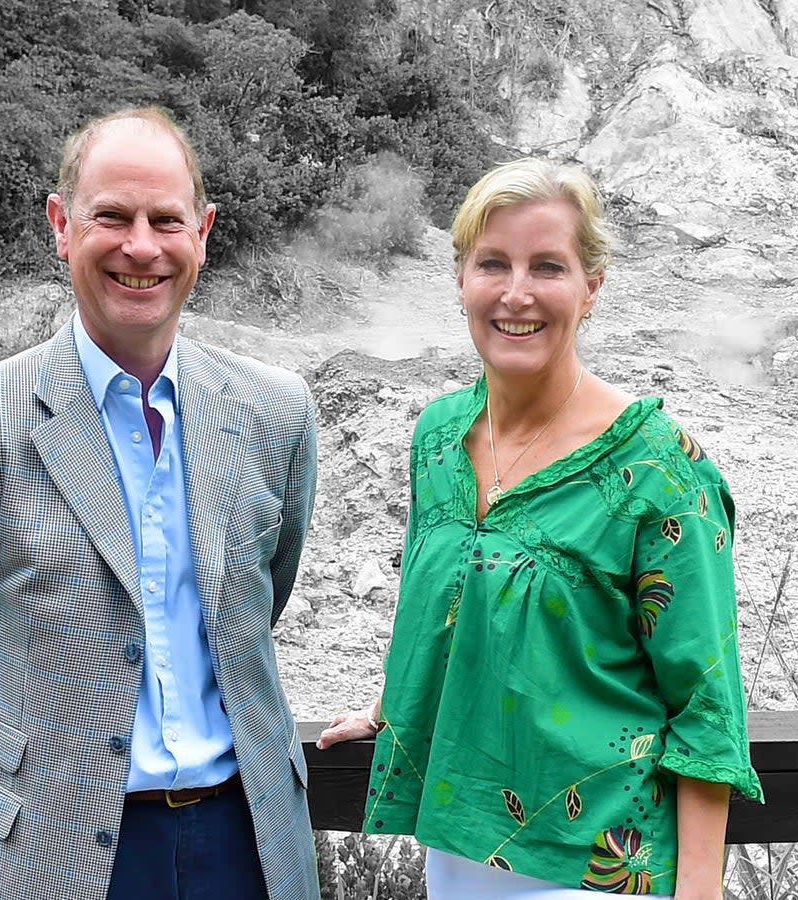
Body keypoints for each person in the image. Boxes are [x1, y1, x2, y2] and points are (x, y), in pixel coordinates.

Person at [0, 107, 320, 900]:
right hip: (47, 850)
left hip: (249, 844)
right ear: (61, 225)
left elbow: (258, 604)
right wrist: (44, 760)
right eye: (111, 216)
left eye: (166, 220)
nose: (141, 246)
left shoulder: (277, 411)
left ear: (204, 231)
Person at [318, 158, 763, 898]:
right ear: (461, 278)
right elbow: (452, 607)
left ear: (592, 286)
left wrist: (699, 892)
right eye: (493, 263)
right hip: (458, 851)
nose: (516, 293)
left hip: (595, 869)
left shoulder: (659, 471)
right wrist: (389, 706)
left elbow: (705, 704)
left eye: (547, 267)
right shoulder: (438, 440)